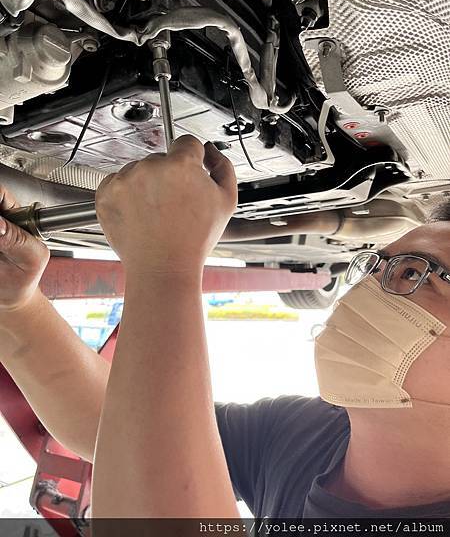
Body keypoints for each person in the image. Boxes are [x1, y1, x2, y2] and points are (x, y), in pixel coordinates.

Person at [0, 135, 449, 520]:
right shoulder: (312, 433)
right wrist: (17, 308)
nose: (371, 290)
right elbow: (121, 430)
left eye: (414, 273)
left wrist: (165, 267)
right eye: (376, 266)